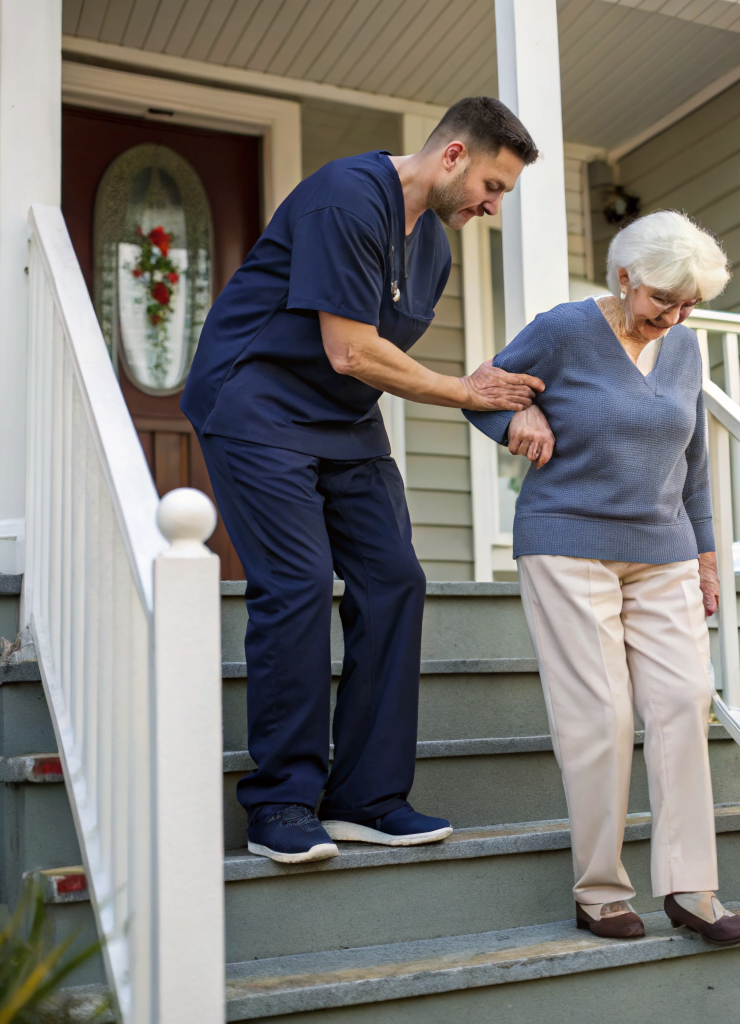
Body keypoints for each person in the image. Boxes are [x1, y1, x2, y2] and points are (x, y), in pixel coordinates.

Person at [181, 98, 545, 864]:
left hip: (342, 419)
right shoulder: (345, 197)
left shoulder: (433, 248)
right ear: (452, 155)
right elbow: (350, 348)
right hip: (256, 400)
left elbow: (369, 360)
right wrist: (463, 390)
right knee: (299, 582)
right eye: (493, 185)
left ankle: (366, 798)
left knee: (394, 579)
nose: (493, 205)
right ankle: (280, 803)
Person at [465, 211, 740, 945]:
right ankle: (598, 890)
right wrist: (517, 419)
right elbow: (481, 391)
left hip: (664, 547)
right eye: (663, 299)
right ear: (625, 277)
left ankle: (691, 887)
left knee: (684, 701)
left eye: (690, 304)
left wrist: (706, 555)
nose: (675, 316)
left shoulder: (683, 346)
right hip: (567, 540)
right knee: (601, 715)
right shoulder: (563, 330)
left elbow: (692, 458)